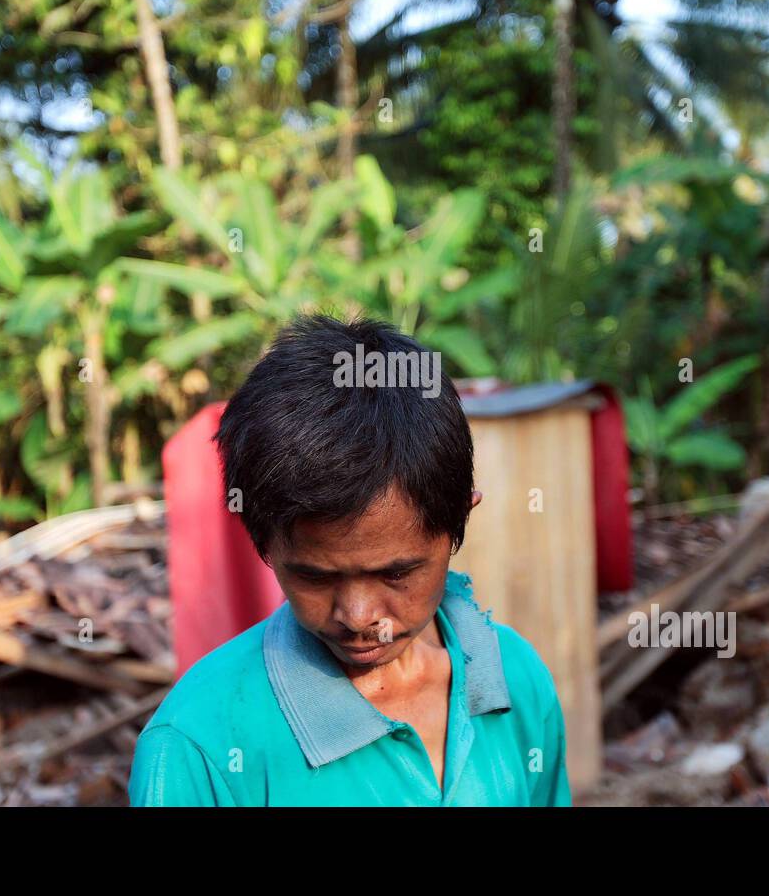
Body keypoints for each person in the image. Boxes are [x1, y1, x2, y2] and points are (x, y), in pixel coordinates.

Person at [129, 314, 571, 806]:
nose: (359, 618)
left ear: (458, 521)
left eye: (396, 572)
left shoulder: (515, 683)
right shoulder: (199, 745)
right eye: (315, 576)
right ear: (264, 545)